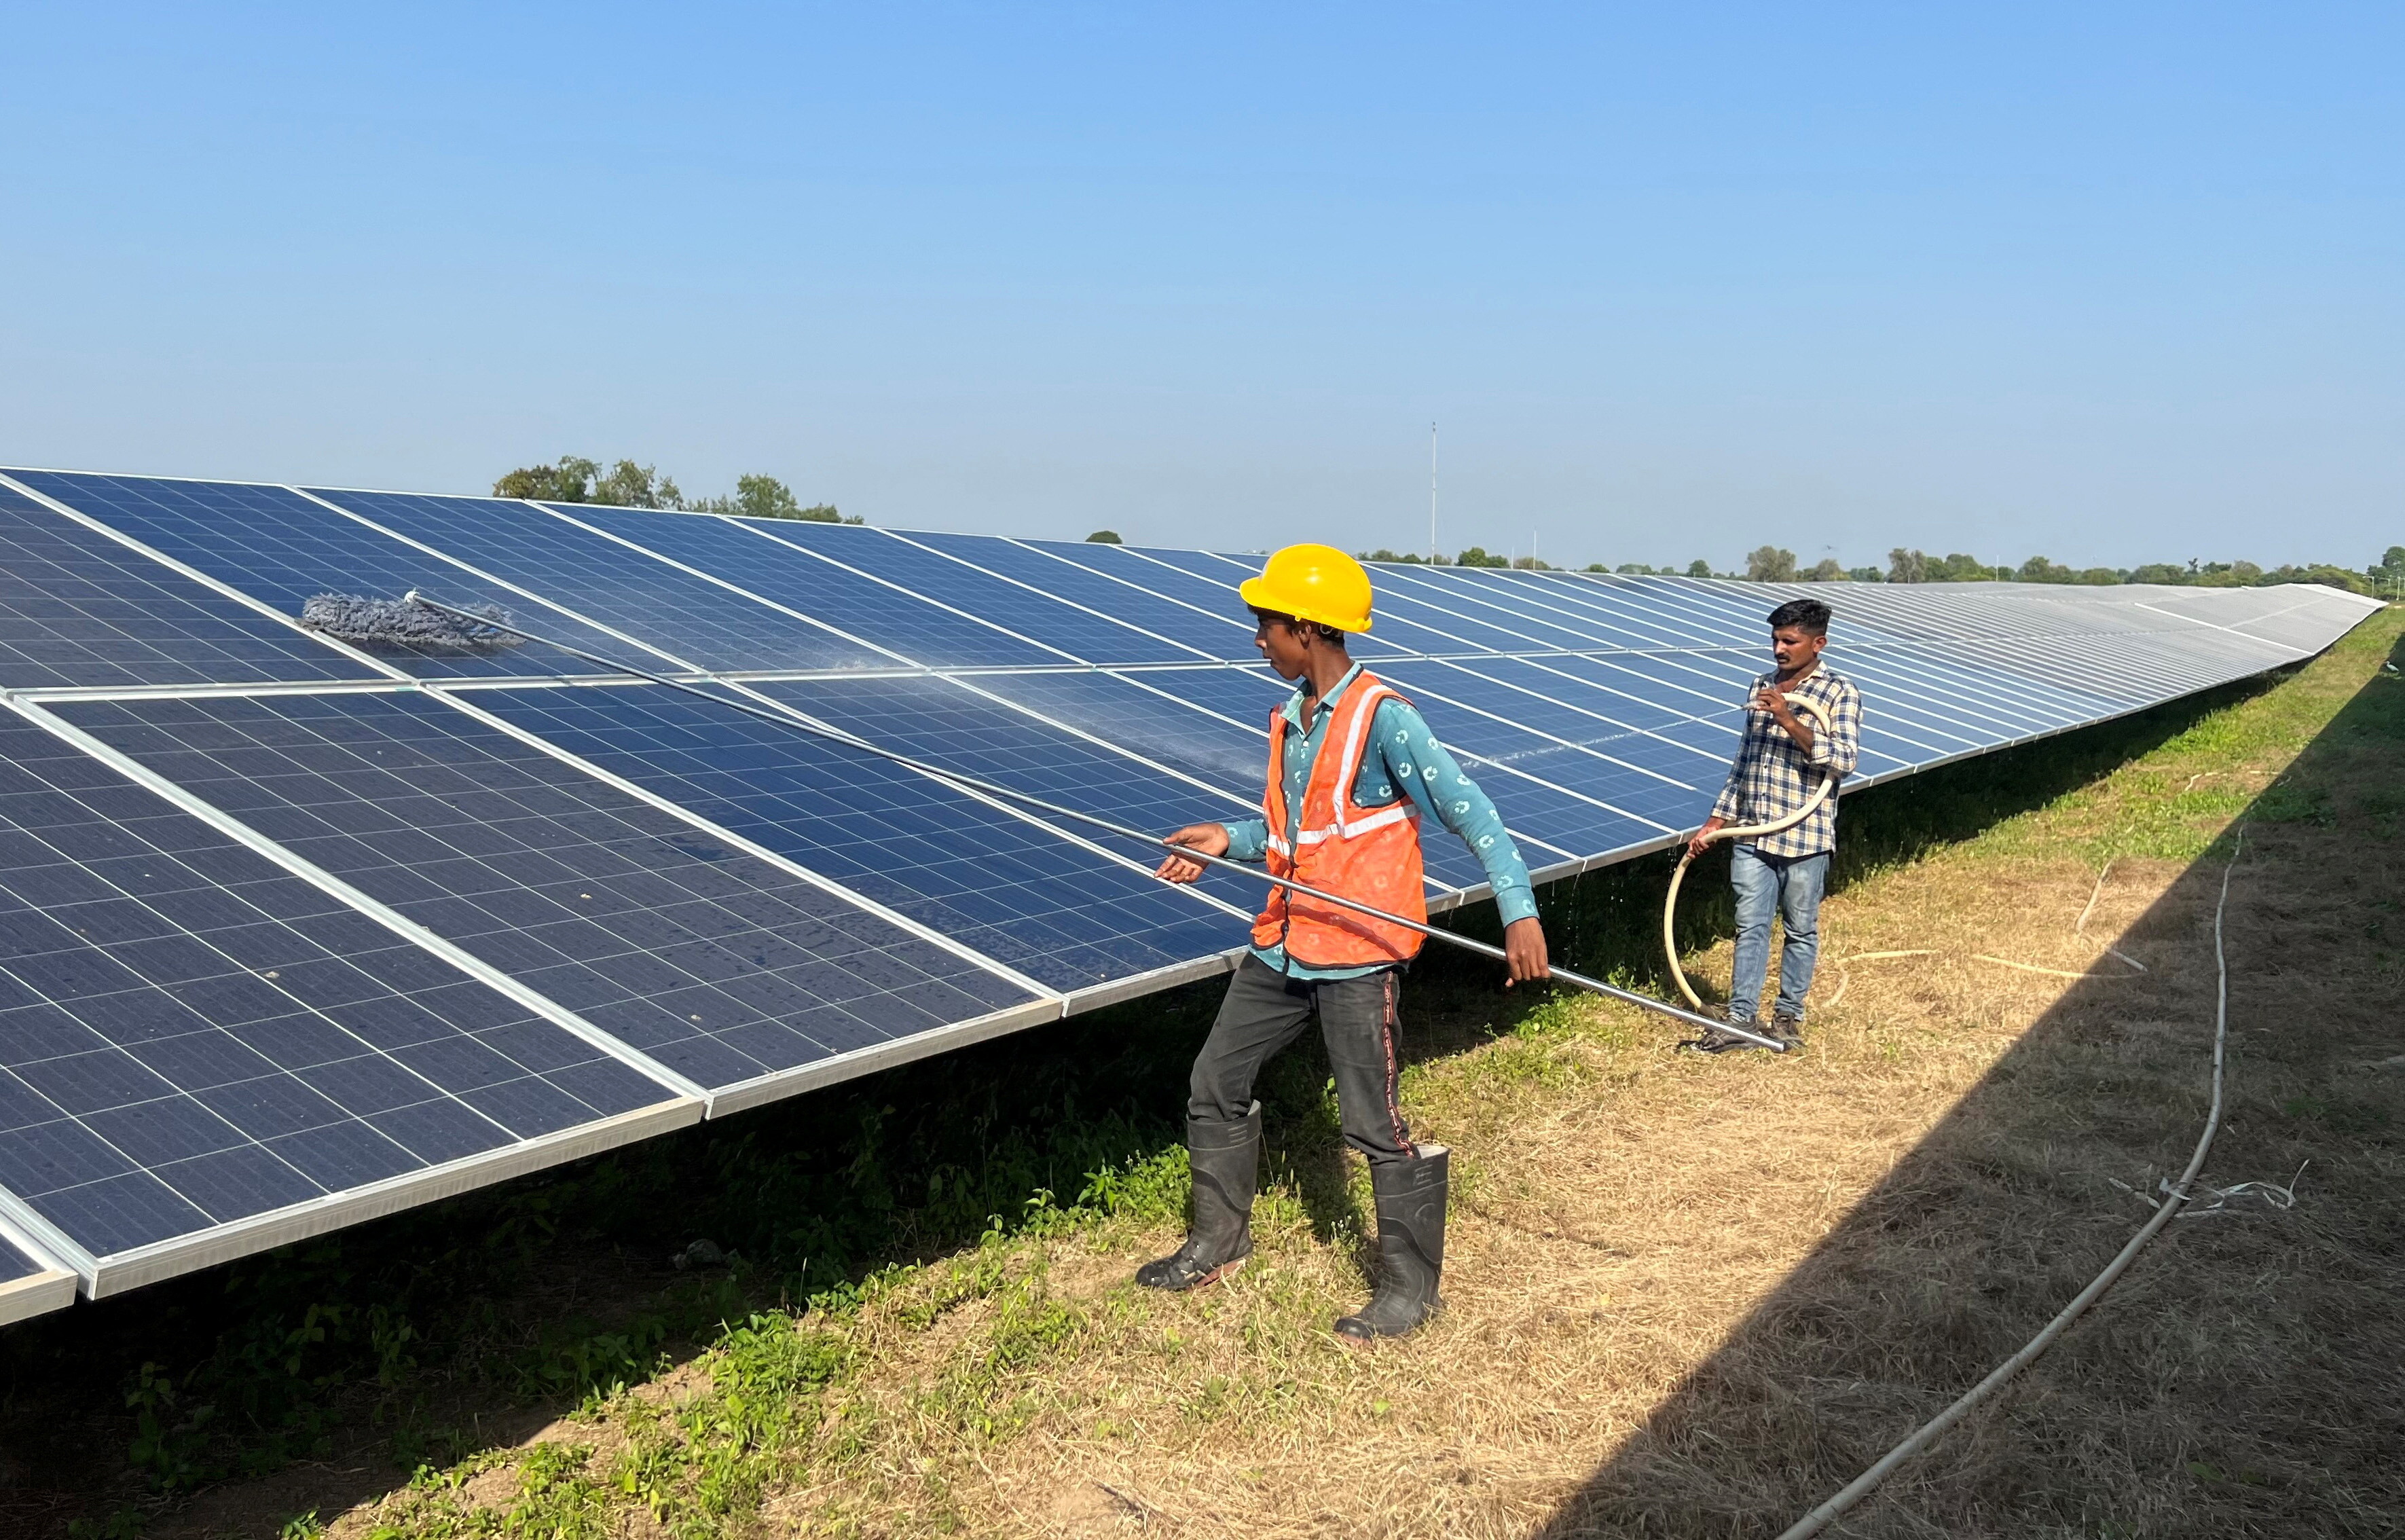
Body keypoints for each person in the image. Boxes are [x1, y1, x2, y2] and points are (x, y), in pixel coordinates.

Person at [1146, 544, 1549, 1342]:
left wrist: (1518, 910)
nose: (1257, 639)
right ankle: (1217, 1241)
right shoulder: (1293, 718)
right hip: (1284, 943)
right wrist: (1228, 837)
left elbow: (1471, 812)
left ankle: (1408, 1290)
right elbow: (1302, 826)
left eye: (1265, 624)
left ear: (1305, 627)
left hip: (1359, 954)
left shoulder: (1382, 717)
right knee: (1212, 1082)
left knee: (1372, 1122)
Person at [1685, 596, 1862, 1052]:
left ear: (1818, 643)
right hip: (1752, 830)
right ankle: (1741, 1017)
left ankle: (1787, 1017)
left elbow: (1844, 760)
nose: (1779, 649)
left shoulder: (1839, 692)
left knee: (1800, 929)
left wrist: (1786, 717)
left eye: (1790, 641)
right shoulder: (1760, 685)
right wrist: (1716, 821)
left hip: (1807, 833)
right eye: (1775, 639)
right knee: (1751, 925)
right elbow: (1745, 761)